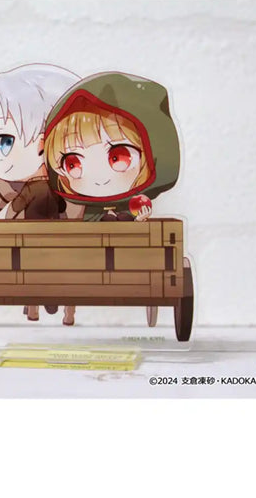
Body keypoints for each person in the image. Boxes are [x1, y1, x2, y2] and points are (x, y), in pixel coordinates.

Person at [44, 72, 181, 324]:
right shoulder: (83, 215)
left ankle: (68, 307)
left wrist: (139, 220)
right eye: (73, 163)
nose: (98, 178)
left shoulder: (132, 207)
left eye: (118, 157)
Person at [0, 63, 80, 320]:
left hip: (31, 249)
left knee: (32, 265)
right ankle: (67, 313)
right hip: (65, 251)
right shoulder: (66, 194)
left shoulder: (30, 190)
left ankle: (35, 308)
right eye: (4, 141)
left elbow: (16, 205)